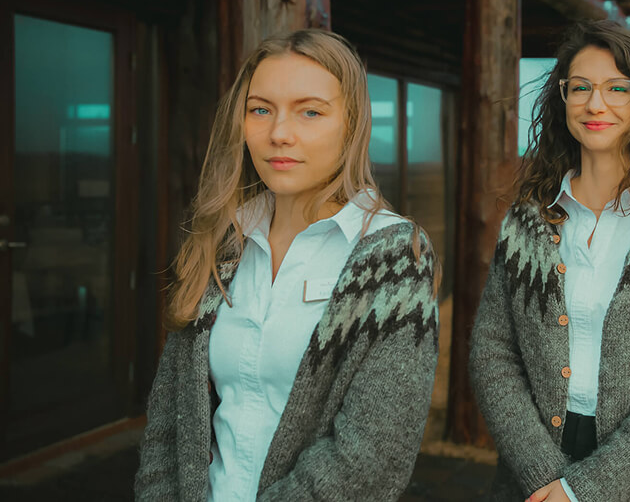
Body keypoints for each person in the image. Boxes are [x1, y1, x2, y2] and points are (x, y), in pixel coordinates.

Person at [134, 29, 440, 501]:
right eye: (261, 109)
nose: (279, 133)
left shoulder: (394, 256)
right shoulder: (222, 243)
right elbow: (168, 424)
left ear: (352, 123)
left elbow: (371, 457)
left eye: (311, 111)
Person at [469, 20, 630, 501]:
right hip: (531, 482)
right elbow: (493, 354)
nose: (595, 103)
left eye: (617, 88)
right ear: (562, 98)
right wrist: (544, 475)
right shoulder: (526, 220)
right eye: (581, 87)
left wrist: (581, 491)